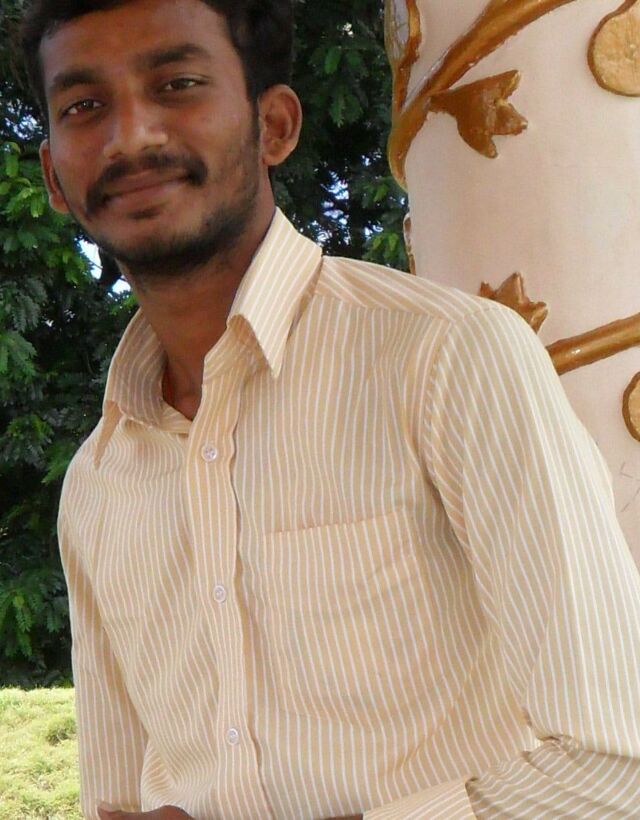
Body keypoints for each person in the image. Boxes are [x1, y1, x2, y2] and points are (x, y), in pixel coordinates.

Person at [20, 0, 640, 818]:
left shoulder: (444, 358)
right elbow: (120, 799)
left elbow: (617, 764)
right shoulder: (99, 483)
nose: (130, 135)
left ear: (274, 125)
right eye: (84, 105)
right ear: (54, 176)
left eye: (178, 84)